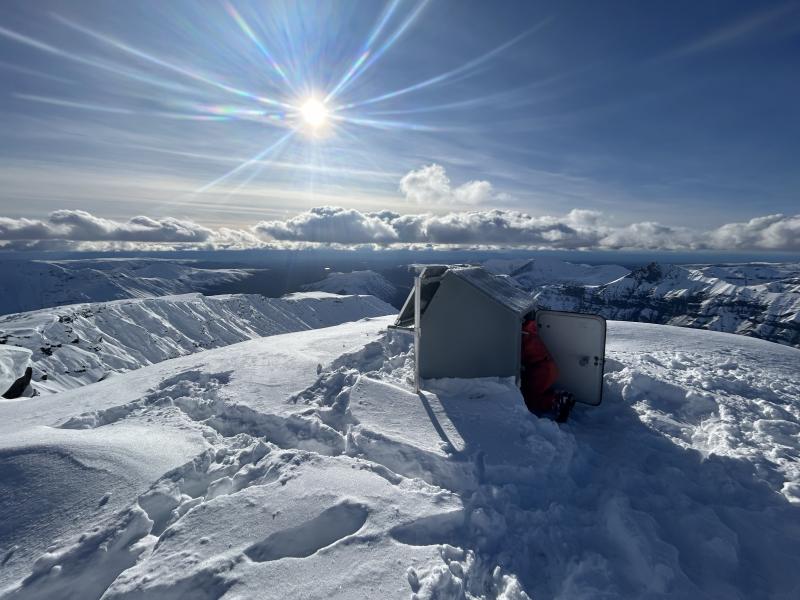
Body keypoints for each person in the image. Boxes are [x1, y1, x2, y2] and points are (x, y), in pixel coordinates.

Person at [520, 319, 575, 422]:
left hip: (541, 370)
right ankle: (561, 396)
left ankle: (556, 401)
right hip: (548, 366)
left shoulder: (523, 335)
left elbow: (516, 354)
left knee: (530, 398)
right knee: (538, 391)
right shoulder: (530, 332)